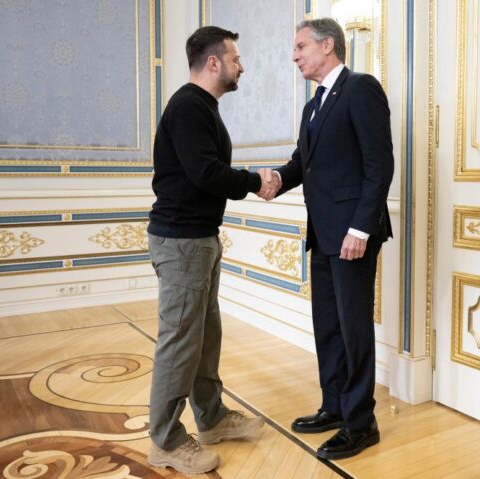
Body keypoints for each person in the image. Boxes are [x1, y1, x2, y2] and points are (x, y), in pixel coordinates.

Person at [147, 26, 279, 475]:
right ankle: (165, 441)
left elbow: (205, 171)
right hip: (182, 241)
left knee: (205, 336)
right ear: (214, 63)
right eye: (236, 57)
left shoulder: (202, 106)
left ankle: (213, 418)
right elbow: (206, 173)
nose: (242, 65)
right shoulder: (188, 106)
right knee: (181, 342)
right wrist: (254, 180)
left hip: (199, 238)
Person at [263, 17, 394, 460]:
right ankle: (335, 406)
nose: (295, 55)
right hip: (322, 233)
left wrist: (361, 228)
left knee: (354, 328)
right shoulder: (313, 106)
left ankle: (362, 424)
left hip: (353, 234)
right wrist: (273, 180)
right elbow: (303, 163)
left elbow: (380, 165)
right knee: (329, 326)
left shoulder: (361, 88)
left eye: (301, 46)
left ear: (328, 45)